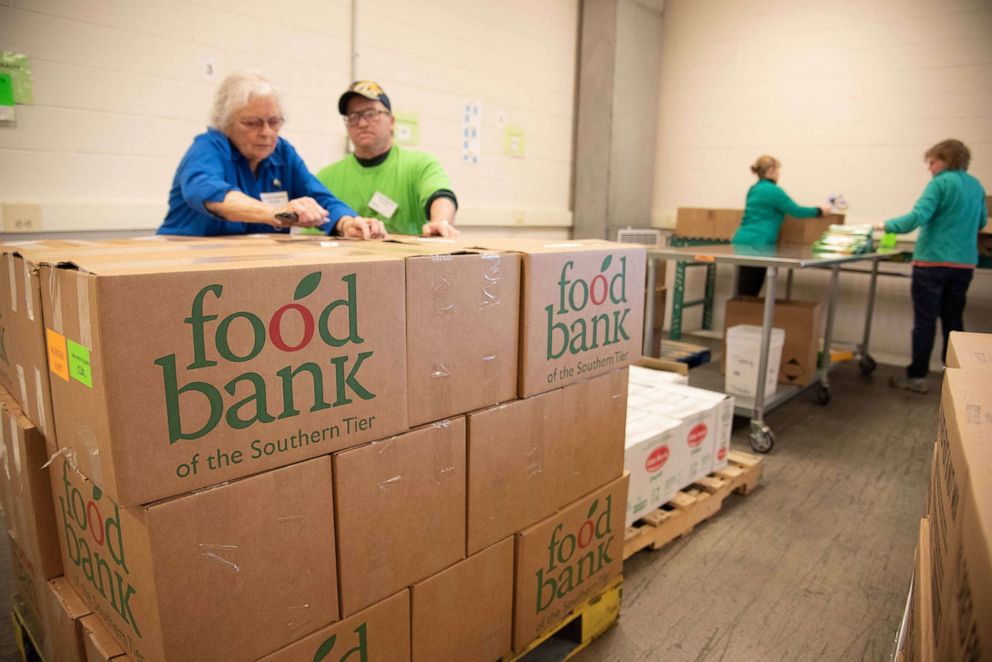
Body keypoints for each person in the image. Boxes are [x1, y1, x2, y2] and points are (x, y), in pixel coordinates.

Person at [159, 71, 386, 239]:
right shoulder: (208, 148)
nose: (267, 132)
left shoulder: (282, 153)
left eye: (274, 122)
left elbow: (318, 196)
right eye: (252, 123)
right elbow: (210, 194)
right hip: (190, 262)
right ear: (225, 123)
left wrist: (346, 222)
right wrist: (276, 213)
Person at [876, 139, 987, 394]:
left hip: (932, 263)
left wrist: (884, 225)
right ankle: (957, 380)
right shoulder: (976, 186)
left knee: (925, 321)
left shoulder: (940, 184)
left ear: (946, 160)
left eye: (933, 161)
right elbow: (981, 222)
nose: (930, 167)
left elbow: (918, 217)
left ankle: (917, 377)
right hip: (964, 264)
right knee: (954, 321)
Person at [315, 80, 459, 238]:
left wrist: (441, 222)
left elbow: (440, 194)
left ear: (391, 121)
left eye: (371, 114)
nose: (362, 123)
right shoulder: (325, 179)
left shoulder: (420, 165)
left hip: (406, 260)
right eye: (353, 116)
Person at [732, 155, 831, 297]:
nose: (779, 174)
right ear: (771, 170)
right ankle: (744, 315)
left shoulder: (753, 189)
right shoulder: (773, 191)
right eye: (778, 170)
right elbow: (796, 211)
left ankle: (741, 314)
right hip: (758, 244)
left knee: (745, 287)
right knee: (751, 289)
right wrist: (820, 211)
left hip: (743, 241)